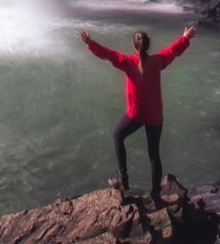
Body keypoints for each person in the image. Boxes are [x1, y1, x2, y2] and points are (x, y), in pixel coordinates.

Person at [79, 24, 197, 201]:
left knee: (117, 136)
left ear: (134, 46)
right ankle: (156, 193)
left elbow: (108, 54)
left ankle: (123, 178)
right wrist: (185, 38)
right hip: (155, 115)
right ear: (148, 46)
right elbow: (173, 51)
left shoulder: (127, 63)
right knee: (154, 155)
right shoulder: (157, 62)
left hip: (136, 114)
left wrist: (89, 42)